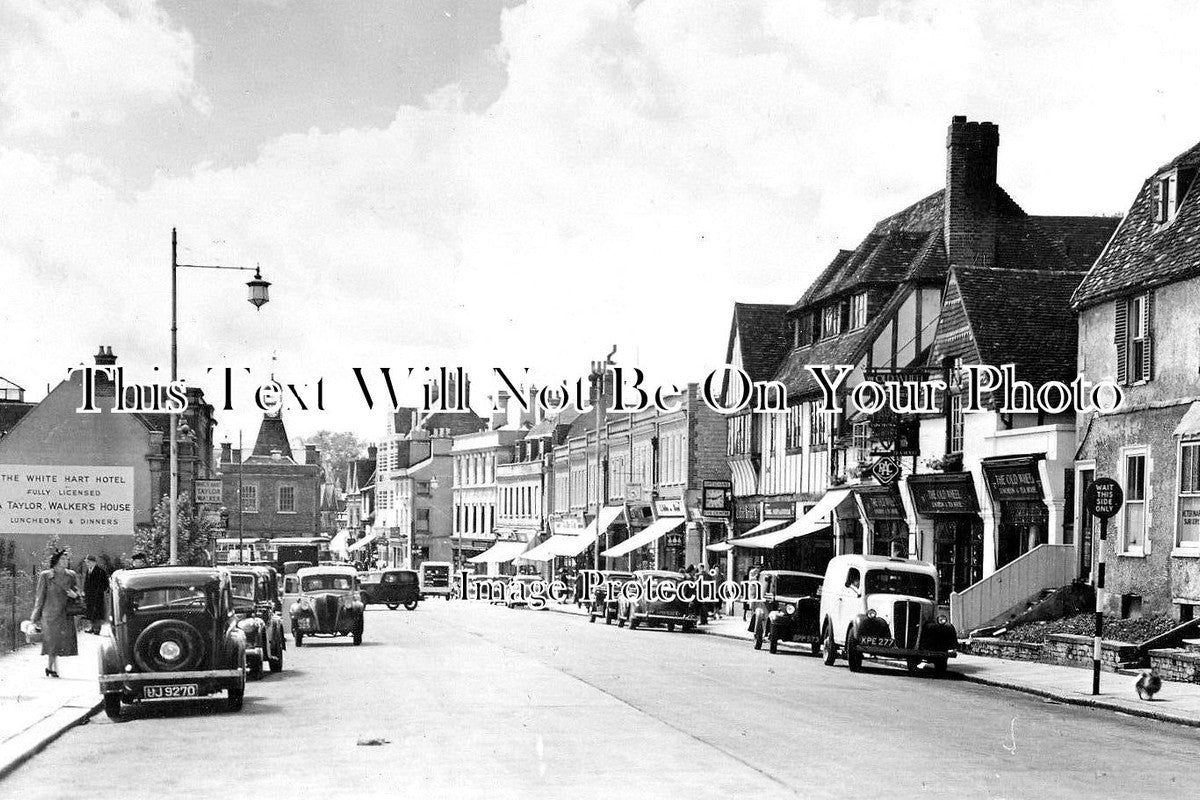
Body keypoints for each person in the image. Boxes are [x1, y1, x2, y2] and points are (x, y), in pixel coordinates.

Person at [30, 549, 80, 677]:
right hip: (50, 615)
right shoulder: (46, 576)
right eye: (62, 559)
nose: (66, 561)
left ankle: (50, 667)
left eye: (67, 559)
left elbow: (79, 593)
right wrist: (34, 618)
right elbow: (40, 597)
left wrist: (75, 595)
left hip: (65, 614)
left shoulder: (71, 575)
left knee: (60, 642)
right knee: (52, 642)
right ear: (56, 561)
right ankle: (52, 668)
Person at [81, 555, 109, 634]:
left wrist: (99, 591)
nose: (87, 564)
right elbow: (86, 582)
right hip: (89, 595)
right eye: (86, 562)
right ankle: (92, 627)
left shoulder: (100, 571)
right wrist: (84, 591)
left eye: (88, 562)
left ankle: (97, 629)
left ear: (93, 562)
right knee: (91, 612)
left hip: (97, 596)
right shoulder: (88, 570)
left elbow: (106, 583)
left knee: (97, 612)